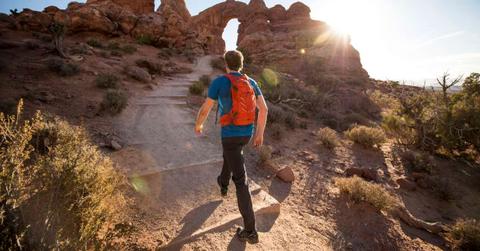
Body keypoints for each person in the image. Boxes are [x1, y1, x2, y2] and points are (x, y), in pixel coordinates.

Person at [194, 50, 268, 244]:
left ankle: (250, 231)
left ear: (226, 63)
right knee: (231, 155)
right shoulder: (250, 82)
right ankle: (223, 183)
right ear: (241, 64)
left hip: (230, 135)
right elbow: (264, 109)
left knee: (241, 181)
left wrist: (199, 124)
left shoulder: (220, 81)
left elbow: (206, 108)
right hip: (246, 134)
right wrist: (259, 134)